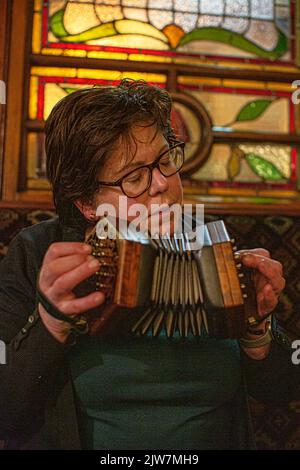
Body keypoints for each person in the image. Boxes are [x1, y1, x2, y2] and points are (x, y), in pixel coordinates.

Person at [0, 79, 298, 450]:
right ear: (87, 204)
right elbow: (7, 412)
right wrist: (51, 324)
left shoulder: (211, 241)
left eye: (165, 160)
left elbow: (282, 387)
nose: (161, 184)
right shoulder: (39, 253)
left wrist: (257, 327)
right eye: (134, 177)